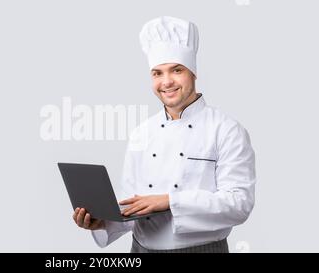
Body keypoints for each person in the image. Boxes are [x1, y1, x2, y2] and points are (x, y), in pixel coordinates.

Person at [72, 16, 256, 253]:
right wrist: (103, 222)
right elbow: (132, 203)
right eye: (157, 73)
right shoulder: (142, 132)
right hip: (140, 250)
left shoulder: (226, 130)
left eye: (176, 70)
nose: (166, 82)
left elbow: (239, 204)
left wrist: (170, 201)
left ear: (193, 73)